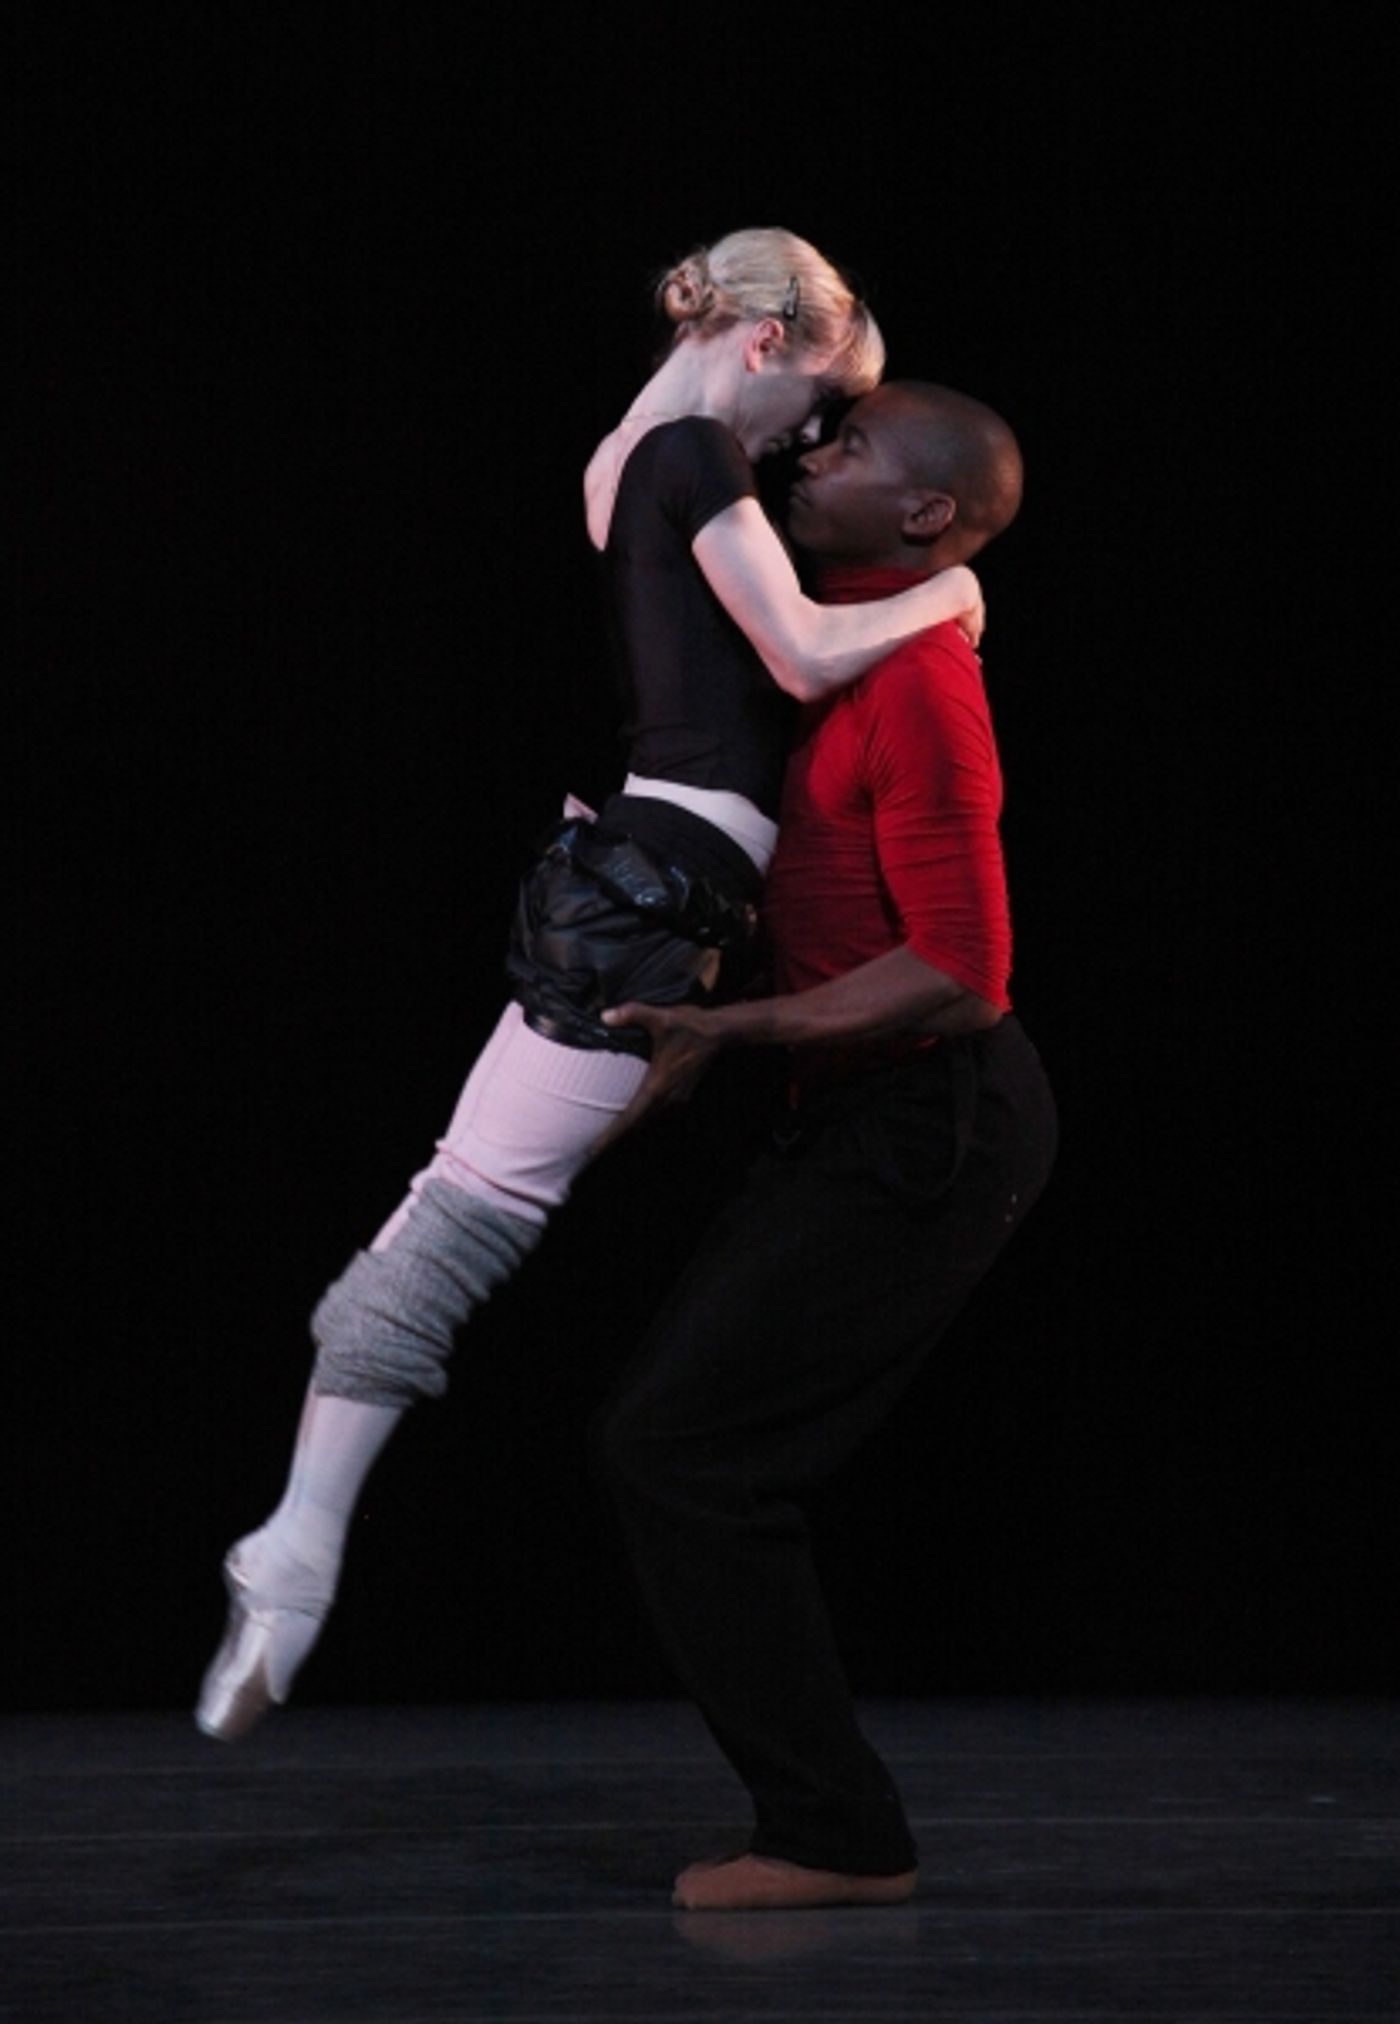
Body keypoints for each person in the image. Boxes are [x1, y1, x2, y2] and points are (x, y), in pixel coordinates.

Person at [195, 231, 987, 1742]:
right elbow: (807, 655)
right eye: (821, 407)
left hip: (645, 865)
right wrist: (945, 601)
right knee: (468, 1214)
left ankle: (293, 1549)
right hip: (659, 881)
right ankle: (293, 1554)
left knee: (468, 1197)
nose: (813, 446)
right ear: (766, 351)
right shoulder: (697, 447)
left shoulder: (621, 455)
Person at [592, 379, 1058, 1911]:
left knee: (687, 1451)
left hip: (938, 1111)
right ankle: (828, 1822)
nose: (810, 452)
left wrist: (736, 1036)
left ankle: (835, 1836)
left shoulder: (925, 680)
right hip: (868, 1104)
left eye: (849, 447)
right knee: (685, 1447)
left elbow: (962, 969)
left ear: (927, 515)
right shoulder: (841, 651)